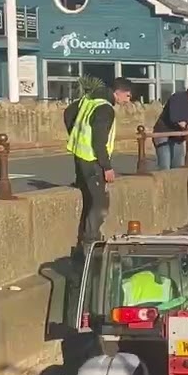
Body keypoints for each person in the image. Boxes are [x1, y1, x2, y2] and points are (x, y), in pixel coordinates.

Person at [64, 76, 133, 253]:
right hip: (92, 160)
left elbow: (68, 113)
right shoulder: (105, 109)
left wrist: (74, 133)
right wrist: (107, 167)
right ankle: (90, 241)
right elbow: (99, 140)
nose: (128, 100)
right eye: (127, 96)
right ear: (118, 93)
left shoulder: (89, 100)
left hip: (80, 157)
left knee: (89, 198)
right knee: (100, 203)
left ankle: (89, 237)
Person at [152, 78, 188, 170]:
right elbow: (176, 119)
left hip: (178, 138)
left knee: (178, 167)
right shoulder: (177, 98)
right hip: (164, 135)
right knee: (165, 166)